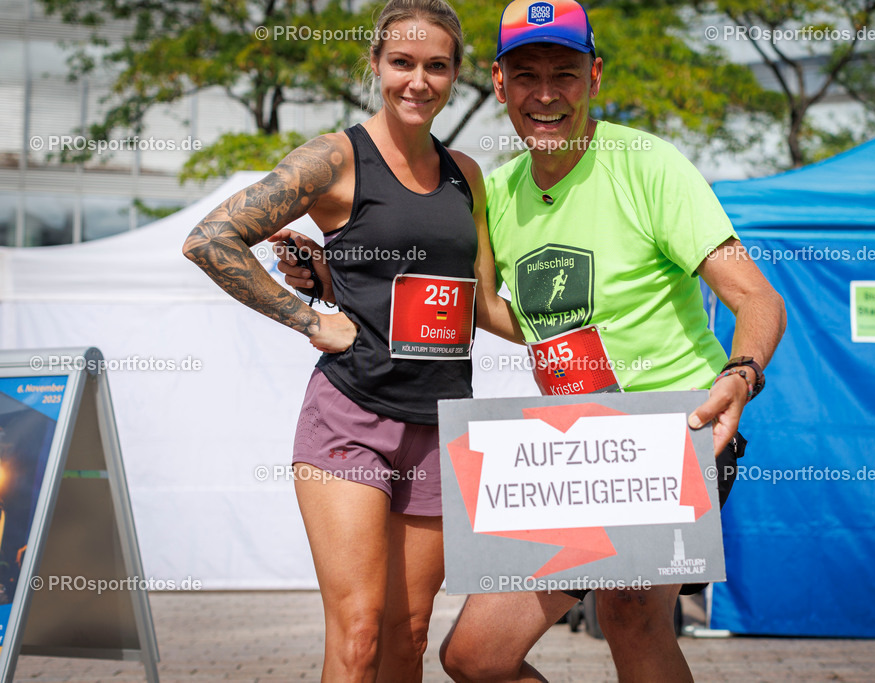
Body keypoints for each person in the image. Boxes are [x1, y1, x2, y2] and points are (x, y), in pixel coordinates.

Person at [434, 1, 787, 681]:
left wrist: (739, 376)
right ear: (499, 84)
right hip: (574, 449)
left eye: (563, 73)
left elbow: (757, 297)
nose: (545, 93)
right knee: (476, 658)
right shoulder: (498, 193)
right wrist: (340, 275)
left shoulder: (647, 164)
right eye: (525, 74)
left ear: (594, 77)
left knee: (629, 611)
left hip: (674, 434)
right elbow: (501, 313)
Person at [182, 1, 520, 680]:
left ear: (457, 75)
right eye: (401, 63)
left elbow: (482, 303)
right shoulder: (335, 158)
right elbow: (209, 239)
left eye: (436, 66)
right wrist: (308, 318)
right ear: (375, 64)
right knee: (359, 632)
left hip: (442, 425)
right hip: (352, 418)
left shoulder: (466, 174)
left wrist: (585, 337)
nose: (417, 81)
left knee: (411, 634)